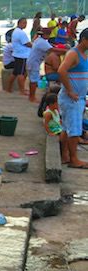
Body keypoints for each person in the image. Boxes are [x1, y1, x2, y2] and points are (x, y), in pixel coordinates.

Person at [57, 28, 88, 168]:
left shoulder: (83, 54)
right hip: (72, 99)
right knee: (74, 131)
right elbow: (61, 70)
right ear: (84, 40)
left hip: (78, 98)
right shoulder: (73, 53)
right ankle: (74, 159)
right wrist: (70, 90)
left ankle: (65, 156)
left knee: (66, 128)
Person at [26, 28, 66, 102]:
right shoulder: (42, 42)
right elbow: (52, 50)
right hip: (34, 63)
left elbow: (50, 46)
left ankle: (31, 96)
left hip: (32, 62)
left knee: (32, 80)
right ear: (47, 34)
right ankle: (32, 97)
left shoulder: (39, 40)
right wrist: (67, 51)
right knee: (34, 81)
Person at [6, 18, 32, 95]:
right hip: (22, 55)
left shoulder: (15, 31)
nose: (25, 24)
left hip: (17, 54)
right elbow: (27, 43)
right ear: (19, 23)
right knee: (21, 73)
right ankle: (22, 90)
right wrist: (34, 46)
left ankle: (9, 88)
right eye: (24, 23)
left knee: (15, 73)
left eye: (26, 23)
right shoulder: (20, 33)